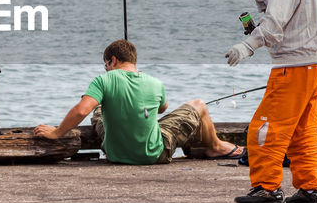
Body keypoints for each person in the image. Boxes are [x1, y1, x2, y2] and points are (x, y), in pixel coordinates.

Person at [225, 0, 317, 203]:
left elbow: (273, 28)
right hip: (314, 66)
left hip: (292, 67)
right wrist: (272, 3)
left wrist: (247, 46)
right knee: (302, 131)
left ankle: (267, 187)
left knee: (264, 127)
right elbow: (302, 15)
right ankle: (310, 188)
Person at [34, 39, 242, 165]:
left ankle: (215, 146)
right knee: (199, 105)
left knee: (98, 107)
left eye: (106, 65)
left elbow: (81, 111)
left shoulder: (103, 80)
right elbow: (163, 108)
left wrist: (56, 132)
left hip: (115, 155)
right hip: (155, 155)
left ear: (112, 60)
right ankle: (215, 146)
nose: (105, 69)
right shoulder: (155, 82)